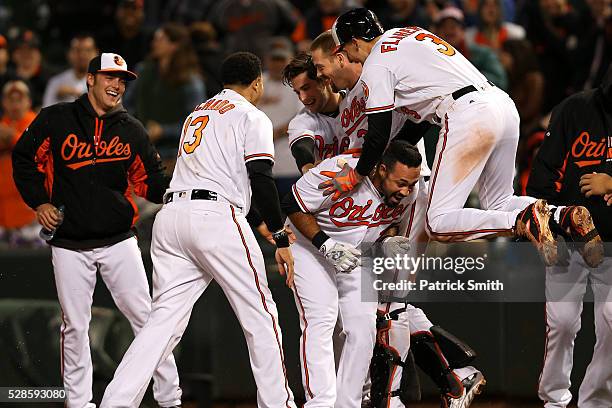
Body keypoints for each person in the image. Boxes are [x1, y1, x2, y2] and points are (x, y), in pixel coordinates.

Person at [322, 8, 602, 267]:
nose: (348, 57)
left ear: (355, 42)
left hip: (468, 113)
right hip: (501, 104)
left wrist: (357, 174)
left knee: (438, 223)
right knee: (500, 203)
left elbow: (378, 133)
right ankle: (562, 215)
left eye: (345, 49)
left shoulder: (377, 62)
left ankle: (523, 219)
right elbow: (417, 123)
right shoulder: (408, 34)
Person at [287, 44, 485, 407]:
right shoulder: (312, 119)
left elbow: (418, 118)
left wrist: (371, 168)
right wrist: (326, 180)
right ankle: (448, 376)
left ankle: (397, 395)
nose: (306, 95)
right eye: (298, 90)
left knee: (390, 302)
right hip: (355, 205)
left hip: (399, 186)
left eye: (311, 82)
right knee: (373, 310)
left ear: (331, 70)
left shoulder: (368, 87)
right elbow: (304, 164)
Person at [100, 52, 298, 408]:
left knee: (162, 322)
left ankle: (116, 402)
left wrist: (258, 219)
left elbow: (226, 176)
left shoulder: (198, 113)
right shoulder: (251, 115)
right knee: (261, 315)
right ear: (257, 83)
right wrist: (281, 236)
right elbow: (261, 178)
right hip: (215, 219)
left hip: (172, 217)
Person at [11, 53, 182, 408]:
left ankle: (170, 398)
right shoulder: (56, 119)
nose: (117, 85)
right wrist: (40, 202)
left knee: (147, 321)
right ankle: (79, 403)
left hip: (118, 240)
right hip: (70, 242)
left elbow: (149, 182)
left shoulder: (130, 128)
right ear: (90, 79)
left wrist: (182, 187)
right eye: (110, 77)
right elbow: (23, 158)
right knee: (74, 326)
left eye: (122, 80)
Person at [281, 140, 421, 408]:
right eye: (400, 182)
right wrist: (326, 243)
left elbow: (391, 227)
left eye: (411, 184)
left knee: (363, 328)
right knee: (321, 318)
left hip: (356, 254)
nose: (405, 190)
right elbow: (292, 203)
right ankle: (320, 404)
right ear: (380, 169)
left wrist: (389, 241)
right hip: (309, 246)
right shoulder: (342, 172)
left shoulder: (409, 195)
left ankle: (348, 404)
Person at [527, 66, 611, 408]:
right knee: (561, 325)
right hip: (570, 239)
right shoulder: (574, 110)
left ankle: (596, 402)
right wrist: (553, 228)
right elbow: (542, 177)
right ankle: (554, 401)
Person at [0, 80, 38, 245]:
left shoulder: (37, 122)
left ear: (28, 101)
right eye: (11, 99)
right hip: (4, 210)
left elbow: (34, 150)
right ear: (4, 102)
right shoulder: (3, 124)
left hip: (31, 211)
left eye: (19, 99)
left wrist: (12, 137)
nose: (15, 104)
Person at [433, 7, 508, 90]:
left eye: (454, 26)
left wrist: (467, 75)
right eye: (444, 27)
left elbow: (500, 81)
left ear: (463, 31)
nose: (449, 30)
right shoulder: (431, 58)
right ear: (436, 33)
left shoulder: (483, 53)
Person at [42, 33, 98, 107]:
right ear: (69, 53)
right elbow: (45, 114)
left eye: (88, 50)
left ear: (96, 53)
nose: (82, 55)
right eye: (78, 50)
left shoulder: (107, 82)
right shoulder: (55, 82)